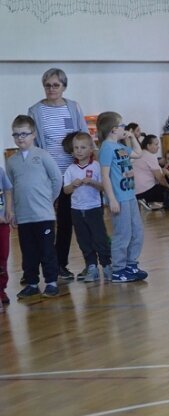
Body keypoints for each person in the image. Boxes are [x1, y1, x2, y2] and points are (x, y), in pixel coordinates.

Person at [28, 68, 90, 281]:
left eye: (55, 85)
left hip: (70, 173)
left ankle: (60, 264)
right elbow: (33, 143)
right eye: (47, 85)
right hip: (46, 175)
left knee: (65, 222)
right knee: (42, 222)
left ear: (64, 86)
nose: (51, 89)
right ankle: (33, 269)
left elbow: (84, 135)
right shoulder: (35, 110)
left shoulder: (72, 107)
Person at [7, 115, 62, 298]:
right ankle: (31, 283)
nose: (20, 138)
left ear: (33, 135)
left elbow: (57, 179)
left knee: (47, 251)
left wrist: (49, 199)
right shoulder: (12, 161)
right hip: (24, 217)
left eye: (24, 134)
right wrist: (12, 210)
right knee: (28, 252)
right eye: (16, 134)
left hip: (43, 215)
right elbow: (10, 188)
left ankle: (51, 282)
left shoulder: (42, 155)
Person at [97, 111, 148, 283]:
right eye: (121, 126)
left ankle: (131, 264)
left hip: (130, 195)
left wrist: (132, 138)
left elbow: (138, 154)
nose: (124, 128)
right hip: (119, 198)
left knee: (137, 232)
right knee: (122, 233)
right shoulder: (106, 148)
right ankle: (118, 269)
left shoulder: (120, 147)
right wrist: (111, 199)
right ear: (113, 129)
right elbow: (105, 176)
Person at [62, 132, 111, 282]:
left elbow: (103, 186)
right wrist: (72, 185)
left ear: (91, 149)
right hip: (76, 210)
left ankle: (107, 264)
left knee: (99, 237)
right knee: (83, 239)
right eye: (76, 147)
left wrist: (91, 182)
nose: (79, 150)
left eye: (83, 147)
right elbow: (65, 190)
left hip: (93, 208)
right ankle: (91, 266)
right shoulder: (70, 169)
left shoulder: (96, 167)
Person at [133, 134, 169, 210]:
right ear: (148, 146)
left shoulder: (141, 153)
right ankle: (150, 201)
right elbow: (160, 178)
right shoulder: (150, 156)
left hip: (135, 192)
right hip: (145, 191)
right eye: (156, 144)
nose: (158, 146)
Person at [0, 165, 14, 306]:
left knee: (3, 256)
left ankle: (1, 289)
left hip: (3, 224)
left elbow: (8, 190)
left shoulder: (0, 170)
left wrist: (9, 210)